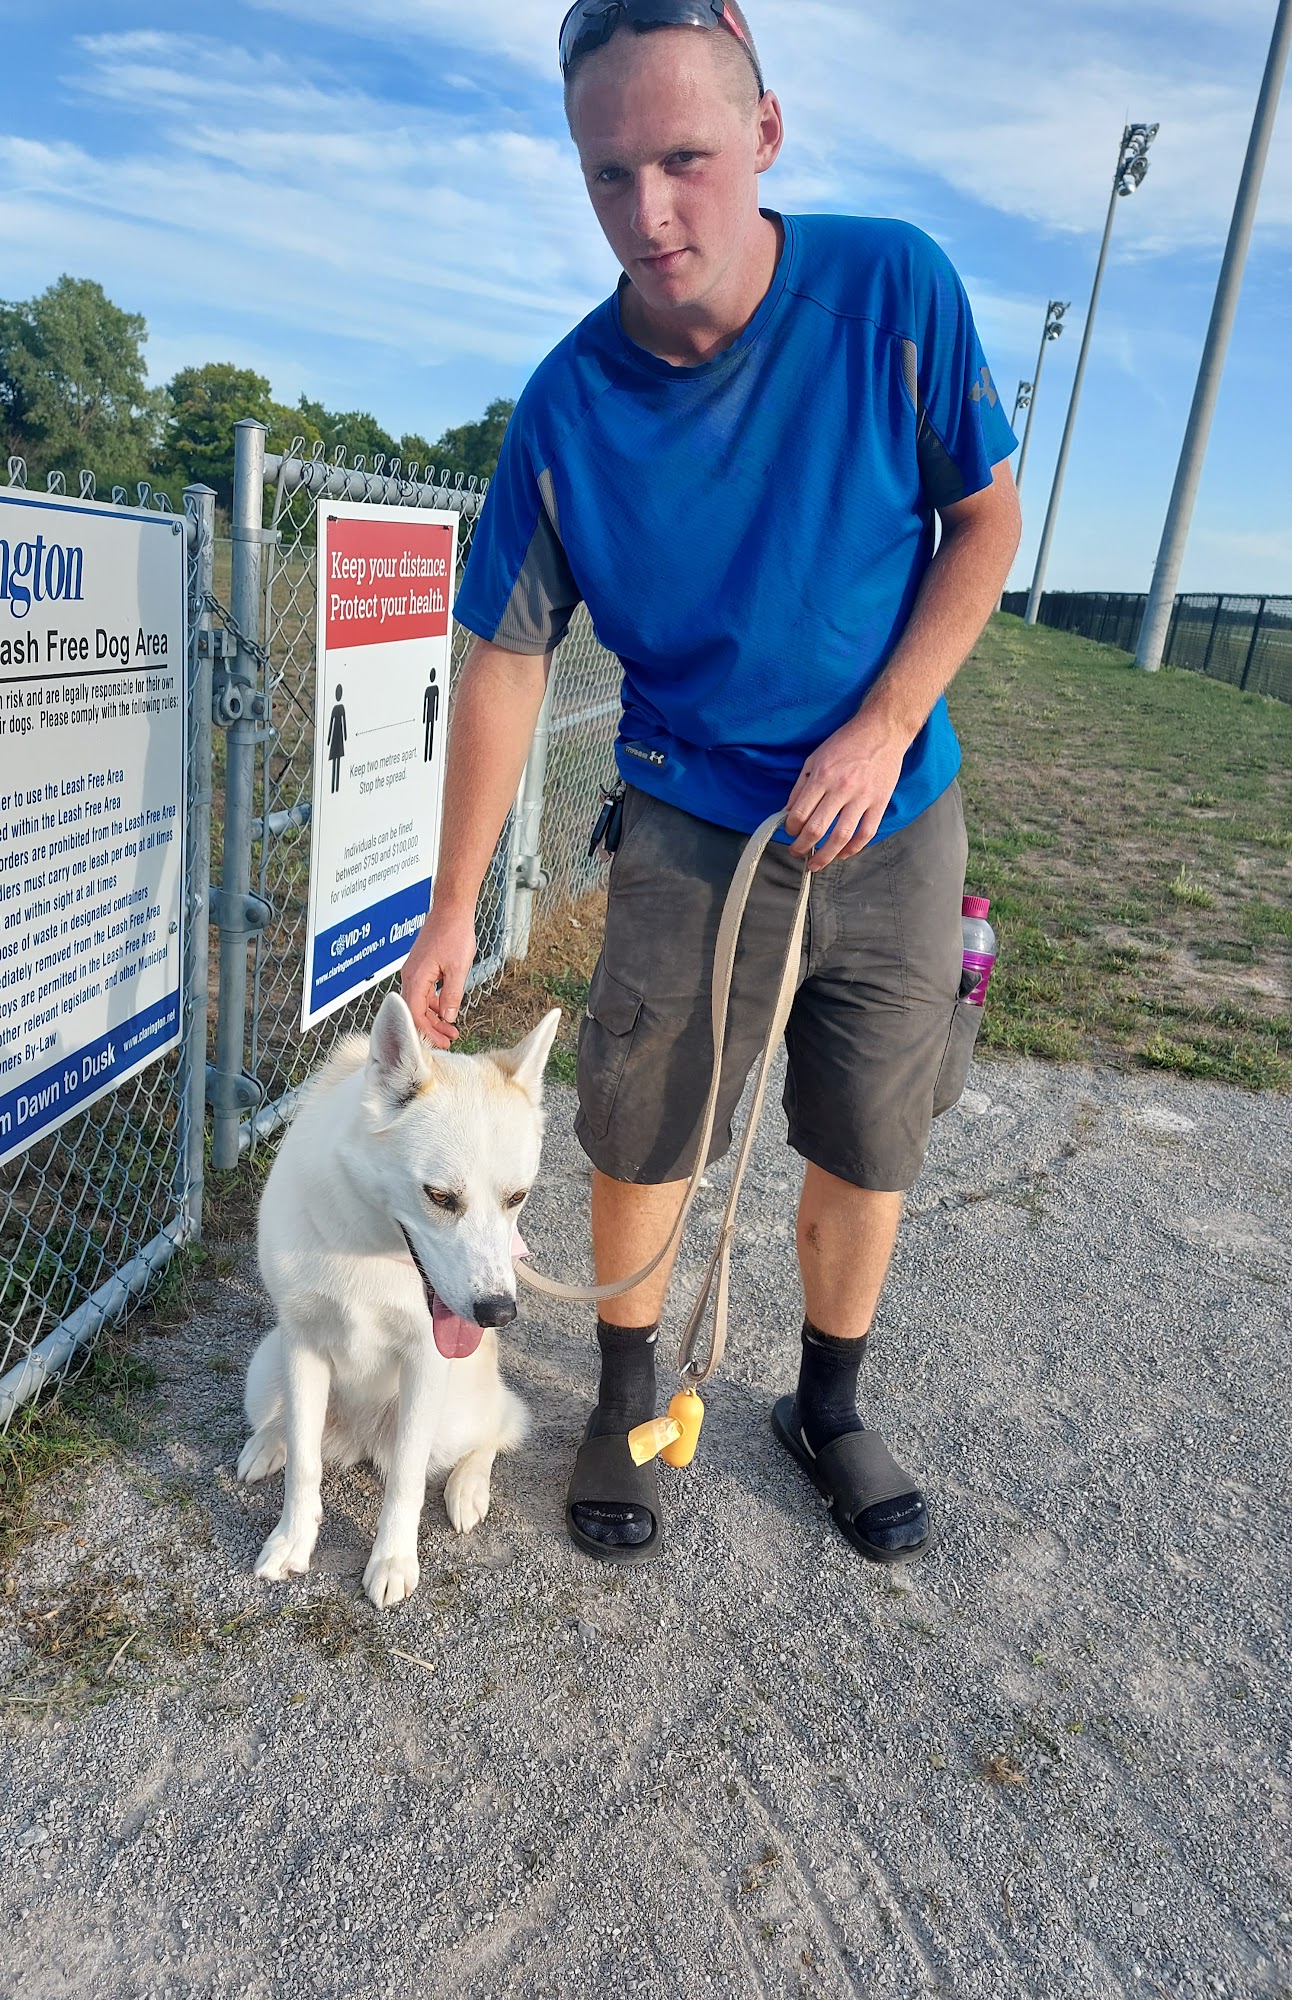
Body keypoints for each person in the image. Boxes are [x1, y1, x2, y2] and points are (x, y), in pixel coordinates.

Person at [401, 0, 1021, 1569]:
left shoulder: (894, 291)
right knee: (642, 1117)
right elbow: (505, 657)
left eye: (684, 157)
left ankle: (826, 1399)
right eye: (610, 173)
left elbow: (985, 526)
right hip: (689, 812)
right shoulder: (566, 408)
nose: (651, 211)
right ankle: (626, 1389)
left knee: (868, 1131)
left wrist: (883, 726)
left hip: (891, 809)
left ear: (765, 132)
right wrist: (456, 907)